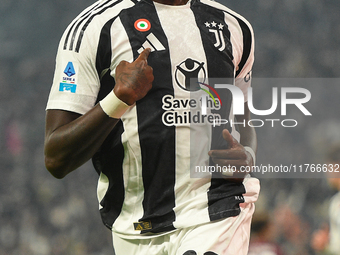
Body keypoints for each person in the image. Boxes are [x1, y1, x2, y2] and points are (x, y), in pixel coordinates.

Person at [44, 0, 260, 254]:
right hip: (134, 226)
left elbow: (242, 118)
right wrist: (118, 98)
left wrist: (247, 155)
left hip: (216, 208)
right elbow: (56, 157)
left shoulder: (233, 26)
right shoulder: (93, 29)